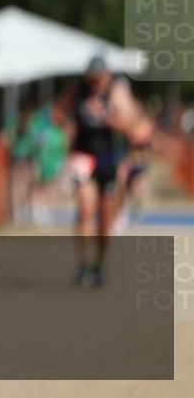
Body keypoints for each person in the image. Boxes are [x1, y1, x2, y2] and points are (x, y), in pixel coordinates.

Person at [53, 56, 145, 289]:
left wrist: (112, 119)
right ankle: (83, 264)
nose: (95, 82)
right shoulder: (78, 90)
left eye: (99, 78)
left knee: (105, 220)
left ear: (107, 75)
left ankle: (100, 265)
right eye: (91, 78)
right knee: (84, 211)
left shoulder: (116, 92)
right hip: (83, 158)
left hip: (108, 160)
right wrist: (67, 124)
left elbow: (133, 125)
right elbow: (57, 112)